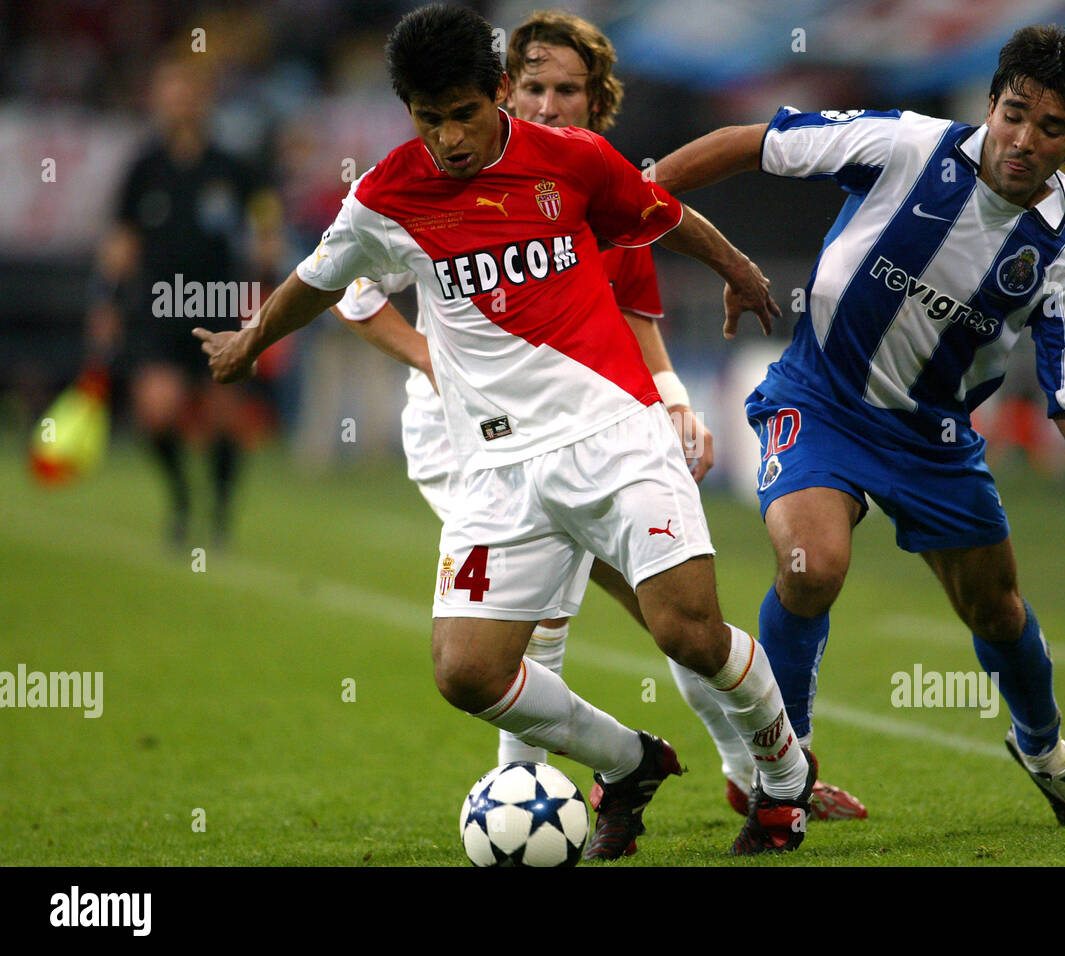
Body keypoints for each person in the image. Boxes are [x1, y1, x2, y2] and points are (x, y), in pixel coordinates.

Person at [195, 4, 813, 858]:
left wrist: (741, 270)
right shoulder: (384, 195)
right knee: (467, 674)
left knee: (685, 630)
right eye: (427, 117)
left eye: (461, 113)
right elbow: (318, 278)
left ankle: (784, 778)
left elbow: (662, 214)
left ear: (495, 95)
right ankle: (630, 762)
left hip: (612, 434)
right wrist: (253, 336)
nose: (447, 137)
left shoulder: (574, 160)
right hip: (494, 469)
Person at [652, 24, 1065, 829]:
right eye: (1014, 113)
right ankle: (784, 771)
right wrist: (636, 201)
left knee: (999, 612)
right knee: (812, 566)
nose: (1023, 139)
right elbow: (756, 141)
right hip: (819, 402)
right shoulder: (904, 146)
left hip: (935, 443)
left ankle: (1043, 747)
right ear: (992, 103)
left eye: (1051, 128)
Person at [329, 8, 866, 828]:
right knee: (544, 619)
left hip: (590, 430)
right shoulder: (432, 175)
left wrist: (677, 404)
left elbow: (637, 321)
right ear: (504, 90)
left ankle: (697, 773)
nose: (548, 105)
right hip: (468, 440)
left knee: (669, 616)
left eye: (566, 90)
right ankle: (581, 786)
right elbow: (354, 293)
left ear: (594, 100)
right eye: (535, 87)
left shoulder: (591, 183)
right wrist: (432, 362)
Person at [87, 57, 281, 547]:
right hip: (156, 305)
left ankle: (219, 508)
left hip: (217, 301)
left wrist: (266, 276)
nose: (178, 101)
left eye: (187, 92)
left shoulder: (231, 167)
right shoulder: (143, 168)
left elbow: (265, 226)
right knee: (156, 408)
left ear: (203, 100)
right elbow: (121, 243)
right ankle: (180, 498)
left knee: (223, 414)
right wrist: (107, 303)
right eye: (169, 91)